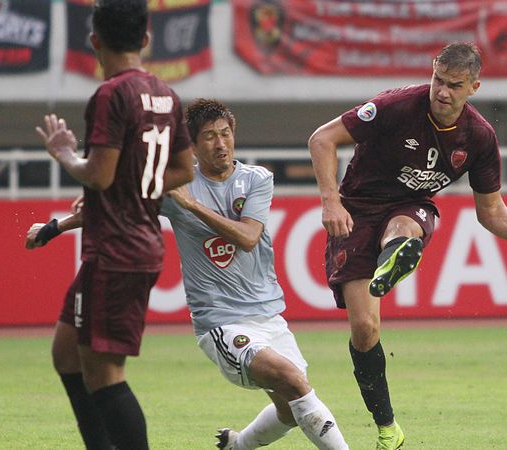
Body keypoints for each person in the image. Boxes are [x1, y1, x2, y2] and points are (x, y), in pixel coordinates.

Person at [308, 42, 507, 449]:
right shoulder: (396, 107)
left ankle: (396, 256)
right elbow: (322, 139)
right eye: (438, 80)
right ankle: (388, 426)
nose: (442, 92)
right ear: (431, 72)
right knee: (365, 327)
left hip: (411, 206)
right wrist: (330, 200)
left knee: (406, 226)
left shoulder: (479, 137)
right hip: (356, 209)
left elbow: (492, 212)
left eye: (454, 85)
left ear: (474, 87)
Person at [26, 1, 194, 448]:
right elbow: (183, 169)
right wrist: (128, 184)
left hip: (116, 251)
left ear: (95, 41)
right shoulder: (166, 94)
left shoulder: (110, 94)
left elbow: (97, 173)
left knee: (105, 373)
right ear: (146, 40)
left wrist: (65, 154)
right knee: (66, 354)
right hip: (131, 244)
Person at [161, 99, 348, 450]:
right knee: (293, 380)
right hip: (222, 322)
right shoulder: (175, 187)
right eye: (209, 137)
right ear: (193, 145)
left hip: (269, 316)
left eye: (225, 133)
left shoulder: (255, 179)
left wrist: (192, 205)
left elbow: (248, 237)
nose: (220, 144)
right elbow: (122, 205)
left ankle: (238, 445)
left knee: (291, 410)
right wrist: (59, 224)